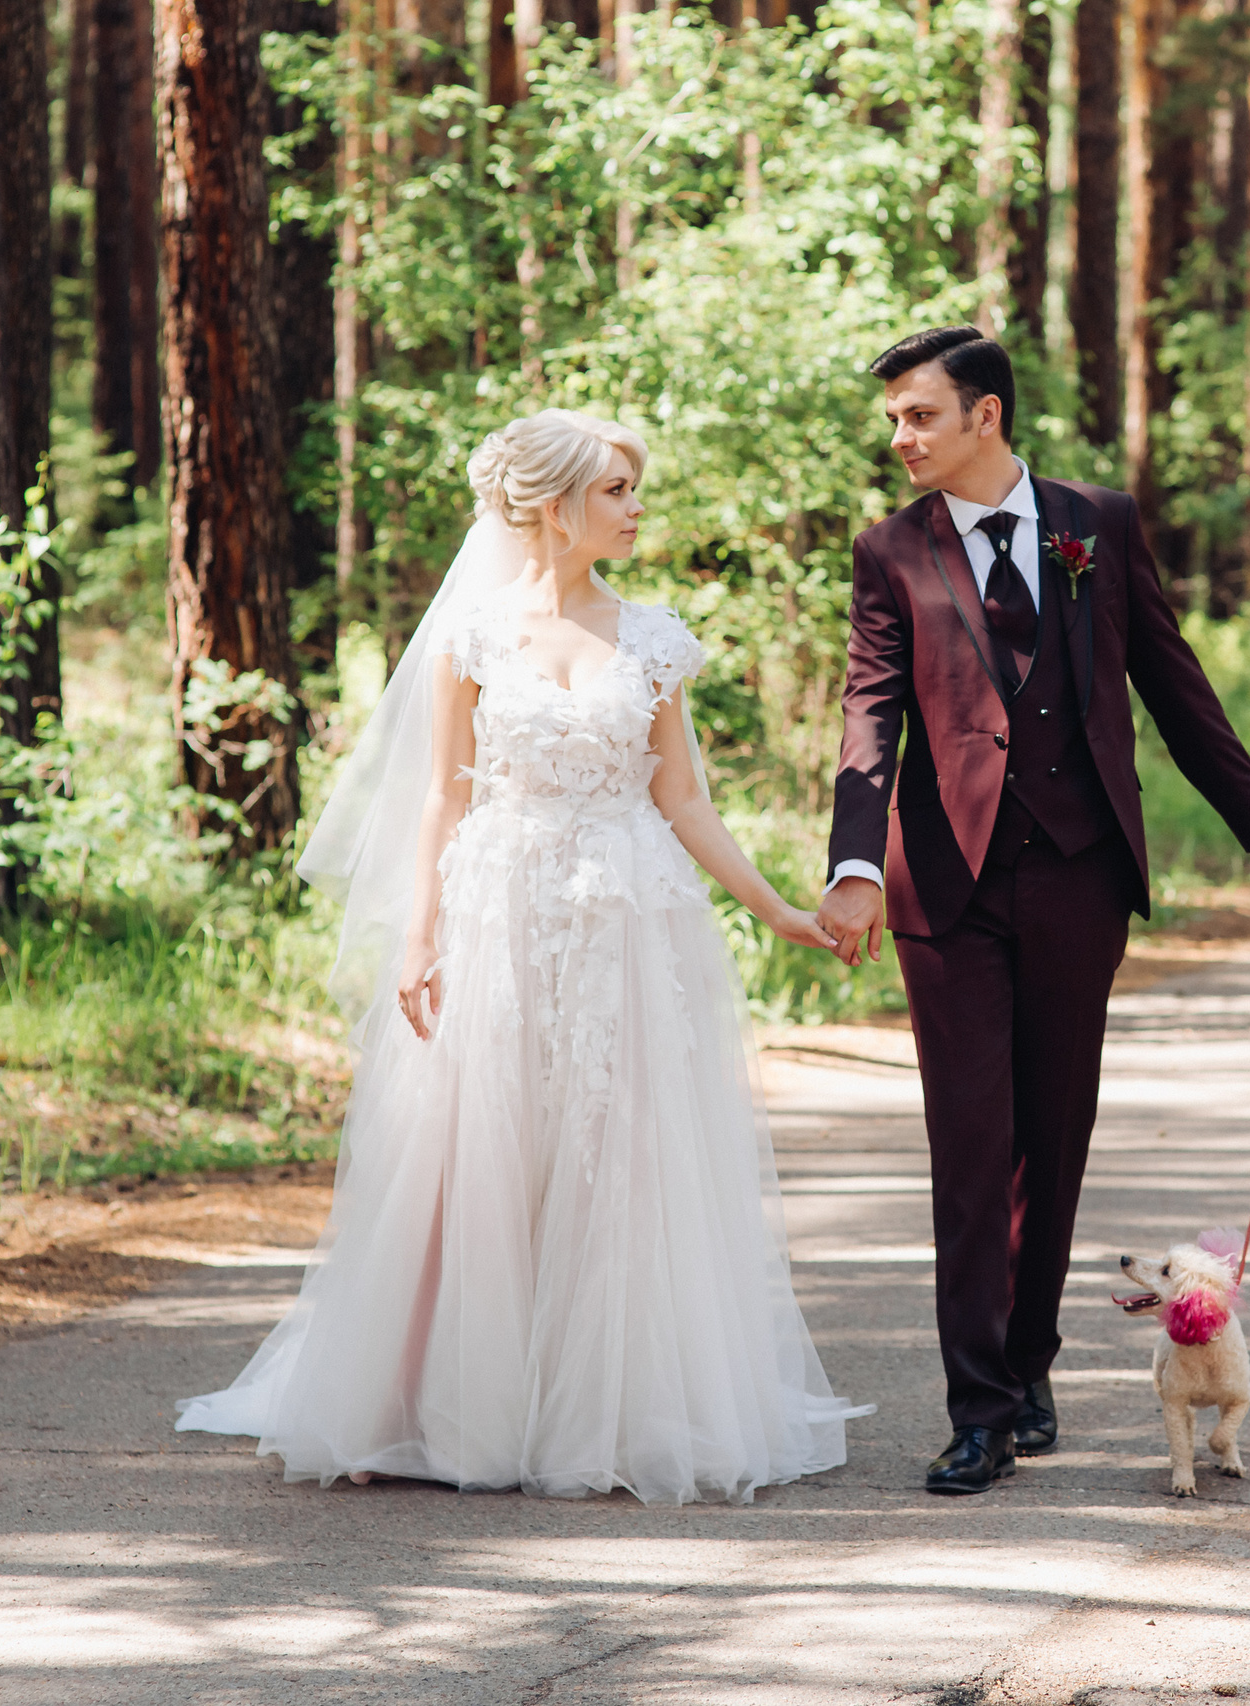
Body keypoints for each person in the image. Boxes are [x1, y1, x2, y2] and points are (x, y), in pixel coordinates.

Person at [177, 408, 871, 1501]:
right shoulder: (474, 637)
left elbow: (681, 797)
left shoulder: (653, 637)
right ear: (554, 506)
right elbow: (438, 800)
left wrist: (778, 907)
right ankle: (414, 1406)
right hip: (496, 904)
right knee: (471, 1146)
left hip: (626, 920)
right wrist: (417, 939)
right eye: (618, 491)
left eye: (637, 489)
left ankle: (612, 1407)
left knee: (613, 1147)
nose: (639, 508)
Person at [817, 327, 1250, 1495]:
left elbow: (1173, 680)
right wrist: (854, 862)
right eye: (894, 418)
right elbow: (868, 713)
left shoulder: (1100, 522)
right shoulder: (889, 550)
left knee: (1055, 1131)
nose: (899, 437)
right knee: (969, 1148)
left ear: (984, 415)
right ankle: (980, 1409)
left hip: (1078, 874)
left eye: (918, 415)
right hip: (944, 887)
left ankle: (1029, 1359)